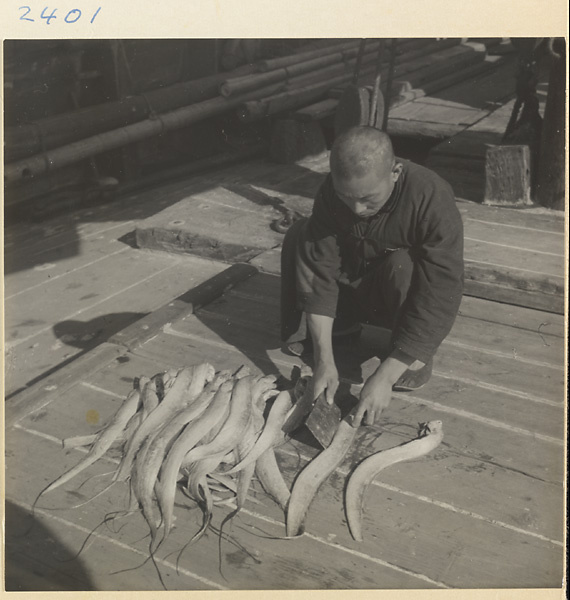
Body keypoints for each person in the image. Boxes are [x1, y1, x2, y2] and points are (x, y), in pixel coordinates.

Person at [280, 126, 464, 427]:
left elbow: (441, 289)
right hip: (353, 279)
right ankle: (341, 327)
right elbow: (319, 272)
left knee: (404, 264)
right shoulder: (330, 193)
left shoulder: (432, 197)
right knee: (301, 234)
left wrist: (384, 377)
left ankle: (407, 357)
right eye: (346, 197)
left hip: (396, 293)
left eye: (368, 199)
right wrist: (324, 361)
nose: (356, 209)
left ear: (395, 172)